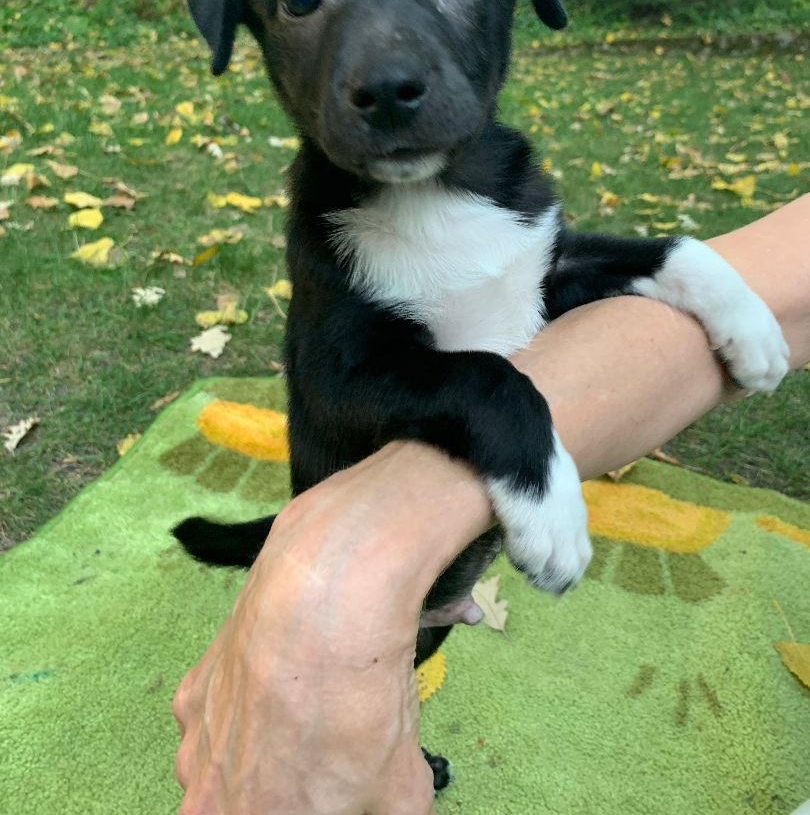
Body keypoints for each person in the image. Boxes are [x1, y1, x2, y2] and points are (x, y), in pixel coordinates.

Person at [173, 195, 810, 815]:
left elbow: (558, 277)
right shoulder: (344, 238)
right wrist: (363, 536)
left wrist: (688, 270)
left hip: (439, 538)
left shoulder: (509, 201)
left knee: (414, 640)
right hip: (390, 499)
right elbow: (352, 373)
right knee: (405, 648)